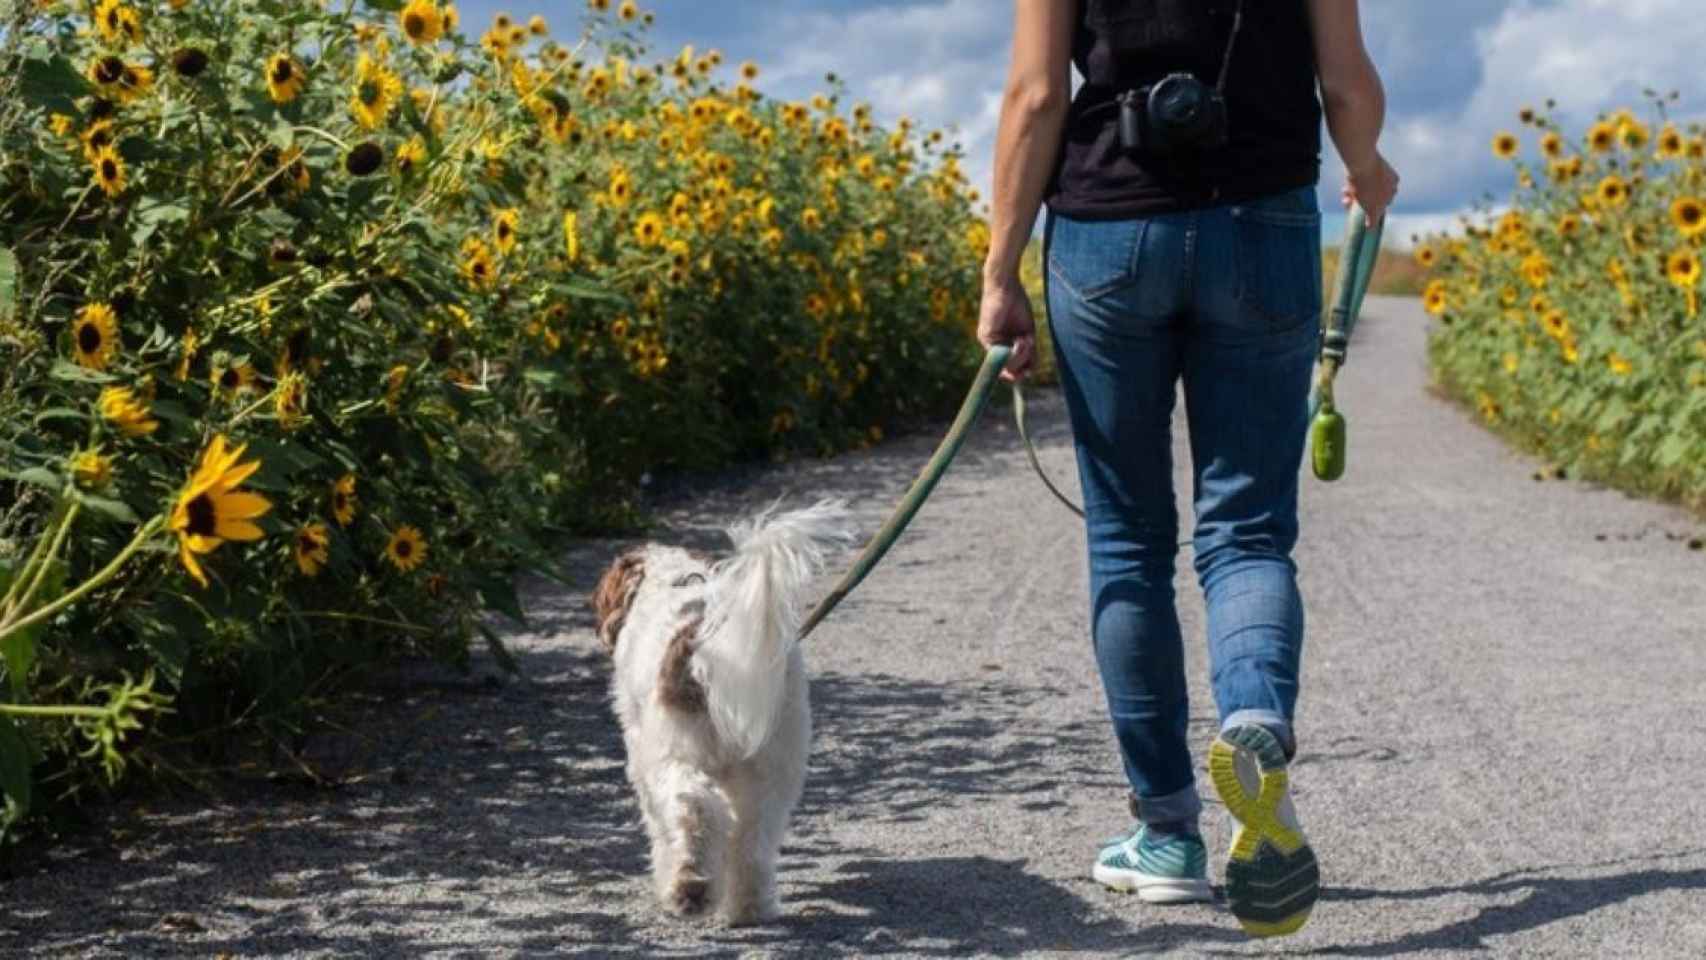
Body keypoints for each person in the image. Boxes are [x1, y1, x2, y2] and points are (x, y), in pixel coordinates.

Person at [976, 0, 1399, 939]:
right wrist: (1367, 171)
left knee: (1128, 542)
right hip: (1266, 222)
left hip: (1106, 227)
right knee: (1246, 531)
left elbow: (1038, 94)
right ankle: (1253, 716)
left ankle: (1167, 833)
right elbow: (1346, 81)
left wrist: (1000, 271)